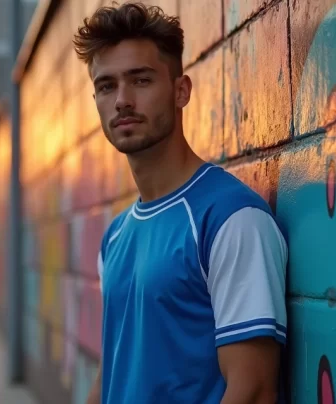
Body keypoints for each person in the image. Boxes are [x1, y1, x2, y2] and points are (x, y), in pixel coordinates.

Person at [73, 3, 288, 404]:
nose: (121, 100)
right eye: (106, 86)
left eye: (140, 80)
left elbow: (254, 390)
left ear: (180, 91)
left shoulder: (231, 219)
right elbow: (113, 372)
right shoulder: (116, 236)